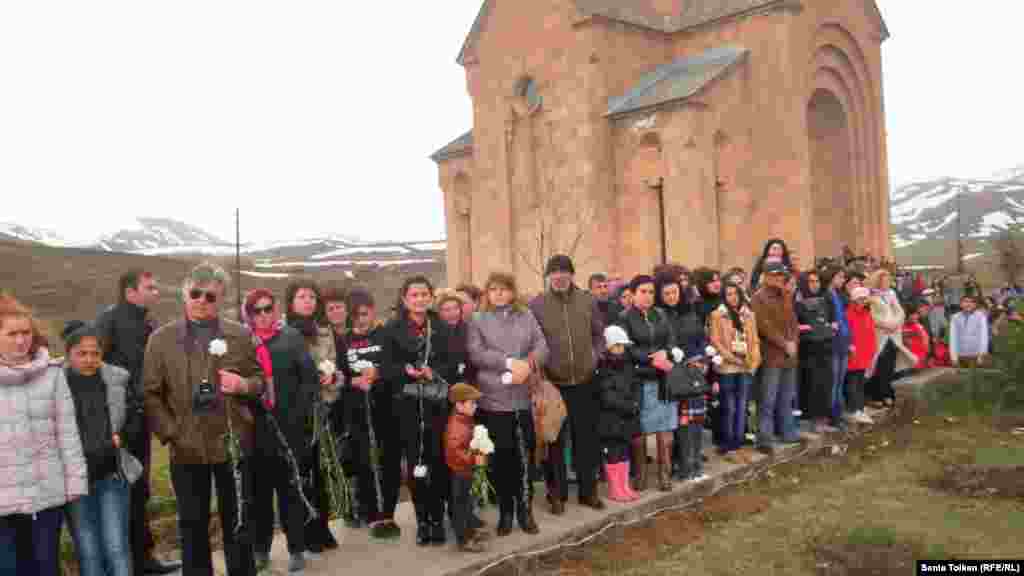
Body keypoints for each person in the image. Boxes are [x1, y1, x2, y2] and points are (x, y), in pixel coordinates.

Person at [143, 262, 265, 576]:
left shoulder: (240, 335)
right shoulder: (161, 339)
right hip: (186, 447)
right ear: (185, 293)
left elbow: (259, 381)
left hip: (232, 443)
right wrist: (172, 432)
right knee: (192, 523)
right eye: (195, 293)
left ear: (221, 299)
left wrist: (243, 385)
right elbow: (150, 394)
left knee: (238, 520)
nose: (201, 300)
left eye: (210, 296)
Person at [96, 270, 178, 575]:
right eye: (150, 288)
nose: (156, 292)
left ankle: (143, 560)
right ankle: (123, 563)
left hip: (142, 420)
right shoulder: (109, 321)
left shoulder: (149, 324)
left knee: (140, 488)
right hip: (118, 425)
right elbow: (93, 365)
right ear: (130, 292)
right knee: (121, 490)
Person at [0, 294, 87, 576]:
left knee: (45, 567)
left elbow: (68, 434)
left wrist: (75, 482)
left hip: (45, 493)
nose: (20, 340)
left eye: (25, 333)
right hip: (3, 498)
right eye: (11, 334)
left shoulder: (52, 375)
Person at [467, 272, 549, 536]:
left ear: (512, 291)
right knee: (502, 461)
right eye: (493, 289)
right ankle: (506, 512)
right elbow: (476, 353)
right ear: (487, 293)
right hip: (494, 400)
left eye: (504, 289)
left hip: (522, 398)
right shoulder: (478, 319)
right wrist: (508, 362)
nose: (499, 294)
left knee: (524, 458)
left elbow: (541, 345)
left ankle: (525, 511)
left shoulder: (525, 315)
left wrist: (528, 364)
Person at [243, 289, 318, 574]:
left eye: (268, 308)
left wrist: (298, 415)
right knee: (258, 495)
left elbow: (308, 379)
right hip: (254, 430)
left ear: (276, 309)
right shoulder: (242, 342)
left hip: (289, 429)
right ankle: (260, 549)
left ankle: (296, 548)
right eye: (257, 310)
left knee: (291, 491)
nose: (264, 314)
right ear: (249, 314)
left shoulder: (291, 338)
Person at [61, 321, 143, 576]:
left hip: (112, 475)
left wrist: (123, 436)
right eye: (81, 353)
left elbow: (136, 416)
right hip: (75, 480)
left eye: (95, 353)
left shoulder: (117, 379)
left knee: (116, 545)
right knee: (88, 549)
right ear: (68, 354)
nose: (89, 359)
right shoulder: (56, 383)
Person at [528, 254, 606, 514]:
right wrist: (541, 376)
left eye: (565, 271)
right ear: (548, 277)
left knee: (586, 439)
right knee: (555, 442)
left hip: (584, 380)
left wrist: (595, 357)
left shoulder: (588, 300)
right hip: (553, 384)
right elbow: (532, 343)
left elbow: (599, 334)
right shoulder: (537, 305)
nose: (560, 276)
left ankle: (588, 492)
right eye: (554, 272)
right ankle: (556, 494)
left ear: (572, 274)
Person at [381, 276, 455, 545]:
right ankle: (423, 521)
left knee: (437, 461)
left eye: (424, 294)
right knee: (416, 464)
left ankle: (438, 519)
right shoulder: (392, 329)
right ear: (405, 299)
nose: (420, 299)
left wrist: (433, 371)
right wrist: (406, 371)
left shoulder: (443, 328)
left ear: (431, 297)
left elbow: (452, 363)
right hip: (407, 406)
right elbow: (386, 368)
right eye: (414, 295)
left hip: (436, 405)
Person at [284, 279, 343, 555]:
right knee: (300, 474)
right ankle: (303, 530)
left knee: (320, 472)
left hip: (321, 409)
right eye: (301, 297)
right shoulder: (282, 332)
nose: (307, 301)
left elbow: (338, 371)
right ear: (291, 302)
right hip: (294, 413)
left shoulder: (325, 332)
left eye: (311, 297)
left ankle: (322, 526)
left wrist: (331, 379)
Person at [341, 289, 400, 539]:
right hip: (357, 410)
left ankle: (388, 513)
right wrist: (352, 381)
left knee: (389, 461)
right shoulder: (343, 340)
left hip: (386, 408)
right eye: (355, 316)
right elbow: (338, 375)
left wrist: (379, 373)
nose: (360, 321)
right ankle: (371, 513)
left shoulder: (386, 335)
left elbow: (397, 367)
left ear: (372, 311)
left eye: (364, 314)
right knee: (364, 462)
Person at [617, 275, 681, 492]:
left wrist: (668, 352)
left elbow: (672, 340)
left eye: (651, 292)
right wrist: (651, 357)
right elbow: (626, 348)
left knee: (666, 428)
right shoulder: (624, 318)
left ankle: (665, 476)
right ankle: (641, 476)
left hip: (664, 379)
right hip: (640, 380)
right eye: (643, 291)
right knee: (640, 430)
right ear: (633, 294)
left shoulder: (660, 314)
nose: (647, 296)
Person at [750, 261, 800, 453]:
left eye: (782, 276)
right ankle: (765, 439)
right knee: (768, 399)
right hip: (771, 355)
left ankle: (788, 433)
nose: (781, 279)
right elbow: (764, 326)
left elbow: (793, 322)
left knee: (787, 397)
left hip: (789, 354)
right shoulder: (758, 298)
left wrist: (794, 342)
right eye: (777, 275)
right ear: (767, 276)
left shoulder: (786, 295)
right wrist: (785, 343)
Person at [708, 282, 761, 461]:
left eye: (735, 293)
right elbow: (715, 341)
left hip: (745, 366)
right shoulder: (717, 315)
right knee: (728, 406)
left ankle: (738, 441)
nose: (733, 297)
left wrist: (753, 361)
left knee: (742, 405)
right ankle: (727, 442)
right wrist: (733, 358)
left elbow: (754, 340)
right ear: (724, 297)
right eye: (729, 294)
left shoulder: (749, 315)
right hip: (727, 367)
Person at [596, 325, 640, 503]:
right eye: (617, 345)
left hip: (626, 417)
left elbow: (635, 385)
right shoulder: (602, 367)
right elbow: (606, 396)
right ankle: (615, 489)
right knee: (613, 452)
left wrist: (636, 402)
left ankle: (624, 486)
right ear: (607, 346)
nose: (620, 349)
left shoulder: (628, 365)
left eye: (623, 346)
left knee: (624, 451)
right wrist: (629, 406)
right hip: (610, 419)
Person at [444, 383, 490, 553]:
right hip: (461, 471)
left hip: (466, 470)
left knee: (467, 503)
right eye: (472, 403)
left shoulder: (464, 418)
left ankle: (470, 532)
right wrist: (475, 457)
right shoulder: (457, 425)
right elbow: (455, 451)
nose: (475, 406)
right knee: (461, 506)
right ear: (459, 405)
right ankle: (464, 539)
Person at [865, 269, 914, 408]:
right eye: (884, 280)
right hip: (879, 334)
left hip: (893, 334)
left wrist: (897, 323)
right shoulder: (871, 295)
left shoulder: (891, 294)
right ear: (878, 281)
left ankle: (887, 393)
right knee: (878, 364)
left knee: (889, 364)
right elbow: (871, 315)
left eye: (888, 280)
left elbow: (900, 311)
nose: (887, 283)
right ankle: (876, 395)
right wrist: (885, 324)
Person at [795, 271, 837, 433]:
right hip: (809, 348)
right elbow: (797, 323)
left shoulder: (826, 298)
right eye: (811, 281)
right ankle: (813, 420)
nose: (815, 284)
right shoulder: (798, 301)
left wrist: (832, 325)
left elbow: (832, 320)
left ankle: (823, 418)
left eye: (817, 281)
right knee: (812, 384)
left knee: (826, 383)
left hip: (825, 345)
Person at [823, 266, 851, 431]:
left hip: (843, 341)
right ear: (832, 277)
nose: (842, 280)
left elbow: (844, 320)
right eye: (840, 277)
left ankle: (838, 414)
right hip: (833, 343)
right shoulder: (826, 296)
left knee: (840, 381)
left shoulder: (840, 296)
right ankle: (832, 416)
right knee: (833, 382)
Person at [845, 286, 877, 424]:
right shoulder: (849, 314)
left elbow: (870, 333)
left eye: (865, 298)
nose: (864, 301)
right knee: (853, 382)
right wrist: (851, 348)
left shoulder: (866, 313)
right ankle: (854, 409)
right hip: (855, 353)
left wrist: (872, 350)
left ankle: (860, 407)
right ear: (855, 299)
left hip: (865, 353)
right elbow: (848, 333)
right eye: (861, 298)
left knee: (860, 381)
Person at [949, 294, 989, 368]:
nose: (968, 304)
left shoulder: (981, 317)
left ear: (975, 305)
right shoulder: (955, 317)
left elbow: (984, 337)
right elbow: (953, 338)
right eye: (966, 301)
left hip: (976, 356)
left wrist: (982, 355)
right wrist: (953, 357)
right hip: (961, 356)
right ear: (961, 304)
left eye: (971, 302)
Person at [901, 304, 930, 374]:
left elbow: (926, 340)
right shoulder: (902, 326)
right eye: (912, 315)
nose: (915, 317)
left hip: (918, 359)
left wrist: (925, 355)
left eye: (916, 314)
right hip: (906, 359)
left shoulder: (919, 327)